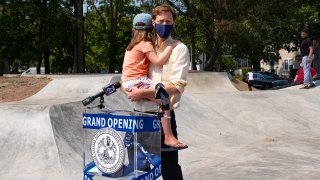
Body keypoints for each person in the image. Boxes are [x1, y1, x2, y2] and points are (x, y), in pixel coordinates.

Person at [123, 4, 190, 180]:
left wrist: (142, 93)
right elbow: (128, 76)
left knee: (169, 169)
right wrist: (129, 90)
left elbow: (177, 86)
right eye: (160, 21)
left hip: (162, 117)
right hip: (139, 115)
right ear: (153, 23)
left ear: (174, 23)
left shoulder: (179, 48)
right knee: (138, 168)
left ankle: (169, 137)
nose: (164, 24)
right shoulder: (145, 46)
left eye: (168, 21)